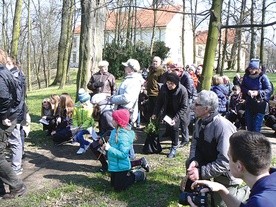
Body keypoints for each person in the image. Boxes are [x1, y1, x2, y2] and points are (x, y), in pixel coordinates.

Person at [186, 90, 248, 206]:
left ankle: (247, 191)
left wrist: (200, 172)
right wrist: (194, 160)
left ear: (207, 109)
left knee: (221, 204)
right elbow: (195, 143)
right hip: (212, 162)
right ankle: (205, 188)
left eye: (196, 104)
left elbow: (225, 162)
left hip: (228, 170)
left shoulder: (222, 127)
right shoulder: (200, 122)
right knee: (189, 164)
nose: (192, 107)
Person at [188, 130, 276, 207]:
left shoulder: (260, 203)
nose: (227, 161)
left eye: (229, 157)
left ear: (239, 166)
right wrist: (222, 190)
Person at [0, 49, 26, 199]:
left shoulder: (2, 74)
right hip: (10, 116)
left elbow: (4, 98)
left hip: (5, 119)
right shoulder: (6, 72)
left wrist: (5, 115)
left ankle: (17, 186)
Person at [101, 109, 147, 191]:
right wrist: (106, 146)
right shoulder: (114, 131)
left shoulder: (123, 136)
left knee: (119, 188)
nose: (111, 120)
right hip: (114, 165)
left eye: (114, 119)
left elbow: (123, 154)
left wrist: (110, 149)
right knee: (113, 185)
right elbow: (112, 144)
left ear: (119, 122)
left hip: (121, 166)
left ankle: (138, 175)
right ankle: (126, 176)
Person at [152, 72, 189, 158]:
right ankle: (170, 136)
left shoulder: (182, 90)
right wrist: (155, 113)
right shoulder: (164, 88)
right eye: (167, 83)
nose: (169, 85)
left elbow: (184, 107)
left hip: (179, 112)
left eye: (171, 83)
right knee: (169, 126)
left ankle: (174, 147)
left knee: (175, 128)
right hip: (168, 110)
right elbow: (159, 102)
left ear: (176, 83)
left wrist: (175, 119)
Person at [6, 56, 27, 175]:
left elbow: (17, 99)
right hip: (15, 112)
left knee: (16, 139)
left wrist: (12, 114)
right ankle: (16, 164)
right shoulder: (15, 75)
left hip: (14, 113)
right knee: (16, 138)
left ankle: (16, 166)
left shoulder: (16, 77)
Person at [109, 59, 143, 125]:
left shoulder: (133, 81)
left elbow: (126, 98)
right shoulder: (129, 79)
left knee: (122, 133)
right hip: (123, 110)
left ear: (131, 69)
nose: (125, 68)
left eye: (126, 67)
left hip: (125, 112)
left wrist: (112, 99)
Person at [241, 60, 272, 132]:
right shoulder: (246, 76)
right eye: (250, 68)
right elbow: (242, 87)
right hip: (249, 102)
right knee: (249, 125)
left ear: (257, 69)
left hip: (260, 103)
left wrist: (258, 92)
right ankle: (250, 141)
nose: (251, 70)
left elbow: (269, 89)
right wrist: (248, 91)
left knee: (256, 126)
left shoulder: (263, 77)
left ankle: (256, 142)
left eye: (253, 68)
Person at [72, 88, 94, 154]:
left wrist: (82, 127)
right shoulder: (76, 106)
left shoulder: (90, 106)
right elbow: (74, 117)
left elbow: (89, 119)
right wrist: (76, 126)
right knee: (75, 137)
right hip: (79, 126)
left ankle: (82, 147)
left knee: (79, 135)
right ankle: (87, 143)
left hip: (88, 126)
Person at [146, 56, 164, 121]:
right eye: (153, 61)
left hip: (157, 94)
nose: (154, 63)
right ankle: (150, 125)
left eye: (156, 61)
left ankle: (156, 125)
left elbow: (162, 83)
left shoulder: (161, 71)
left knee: (156, 112)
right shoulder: (151, 70)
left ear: (159, 62)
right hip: (150, 93)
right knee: (150, 110)